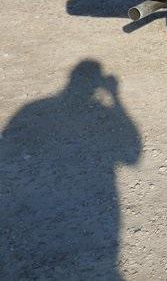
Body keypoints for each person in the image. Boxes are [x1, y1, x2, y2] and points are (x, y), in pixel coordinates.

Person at [1, 60, 141, 279]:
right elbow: (133, 156)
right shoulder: (100, 109)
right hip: (99, 226)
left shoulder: (32, 109)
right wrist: (116, 97)